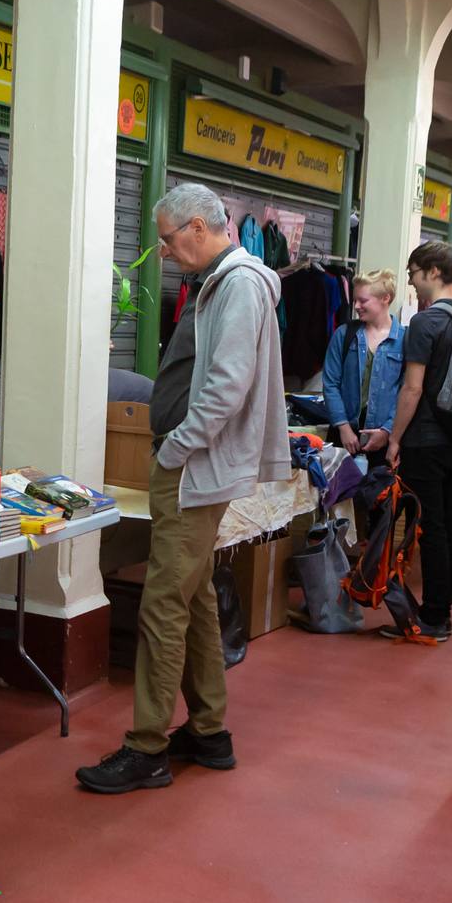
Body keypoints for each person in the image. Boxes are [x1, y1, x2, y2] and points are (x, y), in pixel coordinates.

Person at [73, 183, 285, 795]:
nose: (164, 252)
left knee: (163, 602)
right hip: (190, 464)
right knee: (189, 601)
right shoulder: (218, 282)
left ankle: (147, 748)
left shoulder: (238, 284)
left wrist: (176, 447)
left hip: (193, 466)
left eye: (167, 239)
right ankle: (210, 731)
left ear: (198, 226)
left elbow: (227, 384)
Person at [385, 241, 452, 642]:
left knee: (430, 526)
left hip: (424, 436)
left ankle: (436, 615)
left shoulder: (425, 322)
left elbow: (412, 389)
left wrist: (394, 438)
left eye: (414, 273)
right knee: (449, 521)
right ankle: (444, 603)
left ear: (433, 273)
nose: (412, 282)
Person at [321, 267, 405, 465]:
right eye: (355, 299)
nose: (356, 305)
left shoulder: (405, 339)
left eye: (363, 300)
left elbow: (405, 391)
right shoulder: (344, 334)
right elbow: (330, 383)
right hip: (343, 436)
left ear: (386, 298)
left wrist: (388, 430)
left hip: (383, 441)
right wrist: (343, 427)